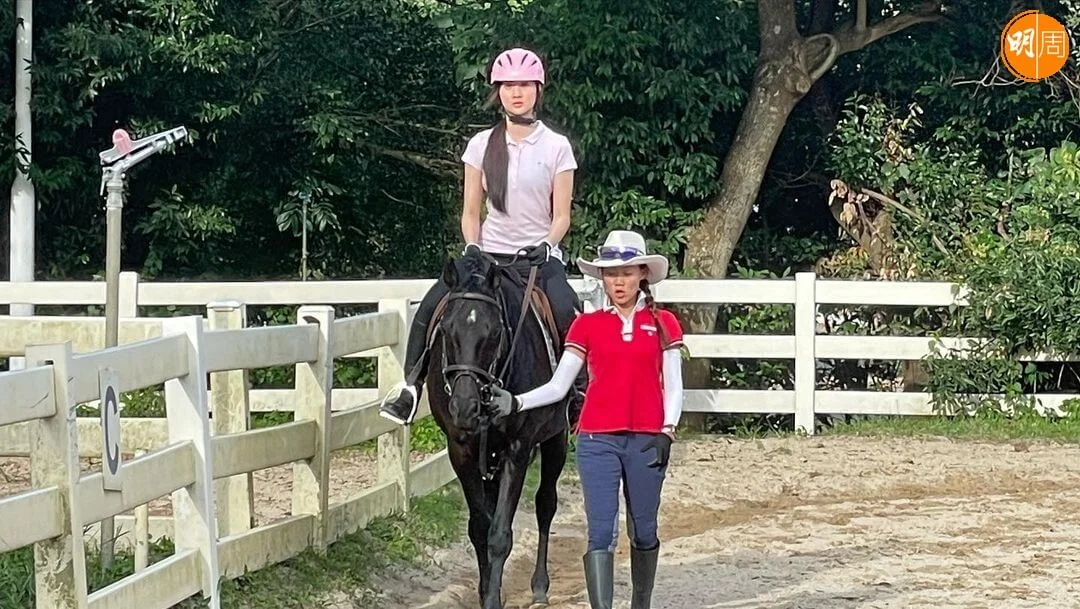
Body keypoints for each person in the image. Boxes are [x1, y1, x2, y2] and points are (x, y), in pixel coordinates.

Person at [379, 47, 584, 425]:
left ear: (538, 90)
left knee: (566, 308)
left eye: (524, 85)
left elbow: (562, 216)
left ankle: (578, 394)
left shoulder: (557, 146)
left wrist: (547, 245)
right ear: (497, 92)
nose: (516, 93)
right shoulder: (480, 145)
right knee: (433, 303)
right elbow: (471, 212)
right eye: (507, 86)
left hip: (535, 257)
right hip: (488, 255)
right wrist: (472, 245)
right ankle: (410, 387)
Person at [488, 229, 685, 609]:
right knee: (600, 532)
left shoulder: (664, 324)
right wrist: (516, 402)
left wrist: (668, 429)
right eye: (611, 274)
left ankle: (640, 603)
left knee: (644, 529)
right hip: (597, 440)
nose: (618, 282)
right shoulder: (587, 325)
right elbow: (559, 385)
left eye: (626, 273)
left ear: (642, 274)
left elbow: (674, 385)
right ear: (602, 279)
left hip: (648, 439)